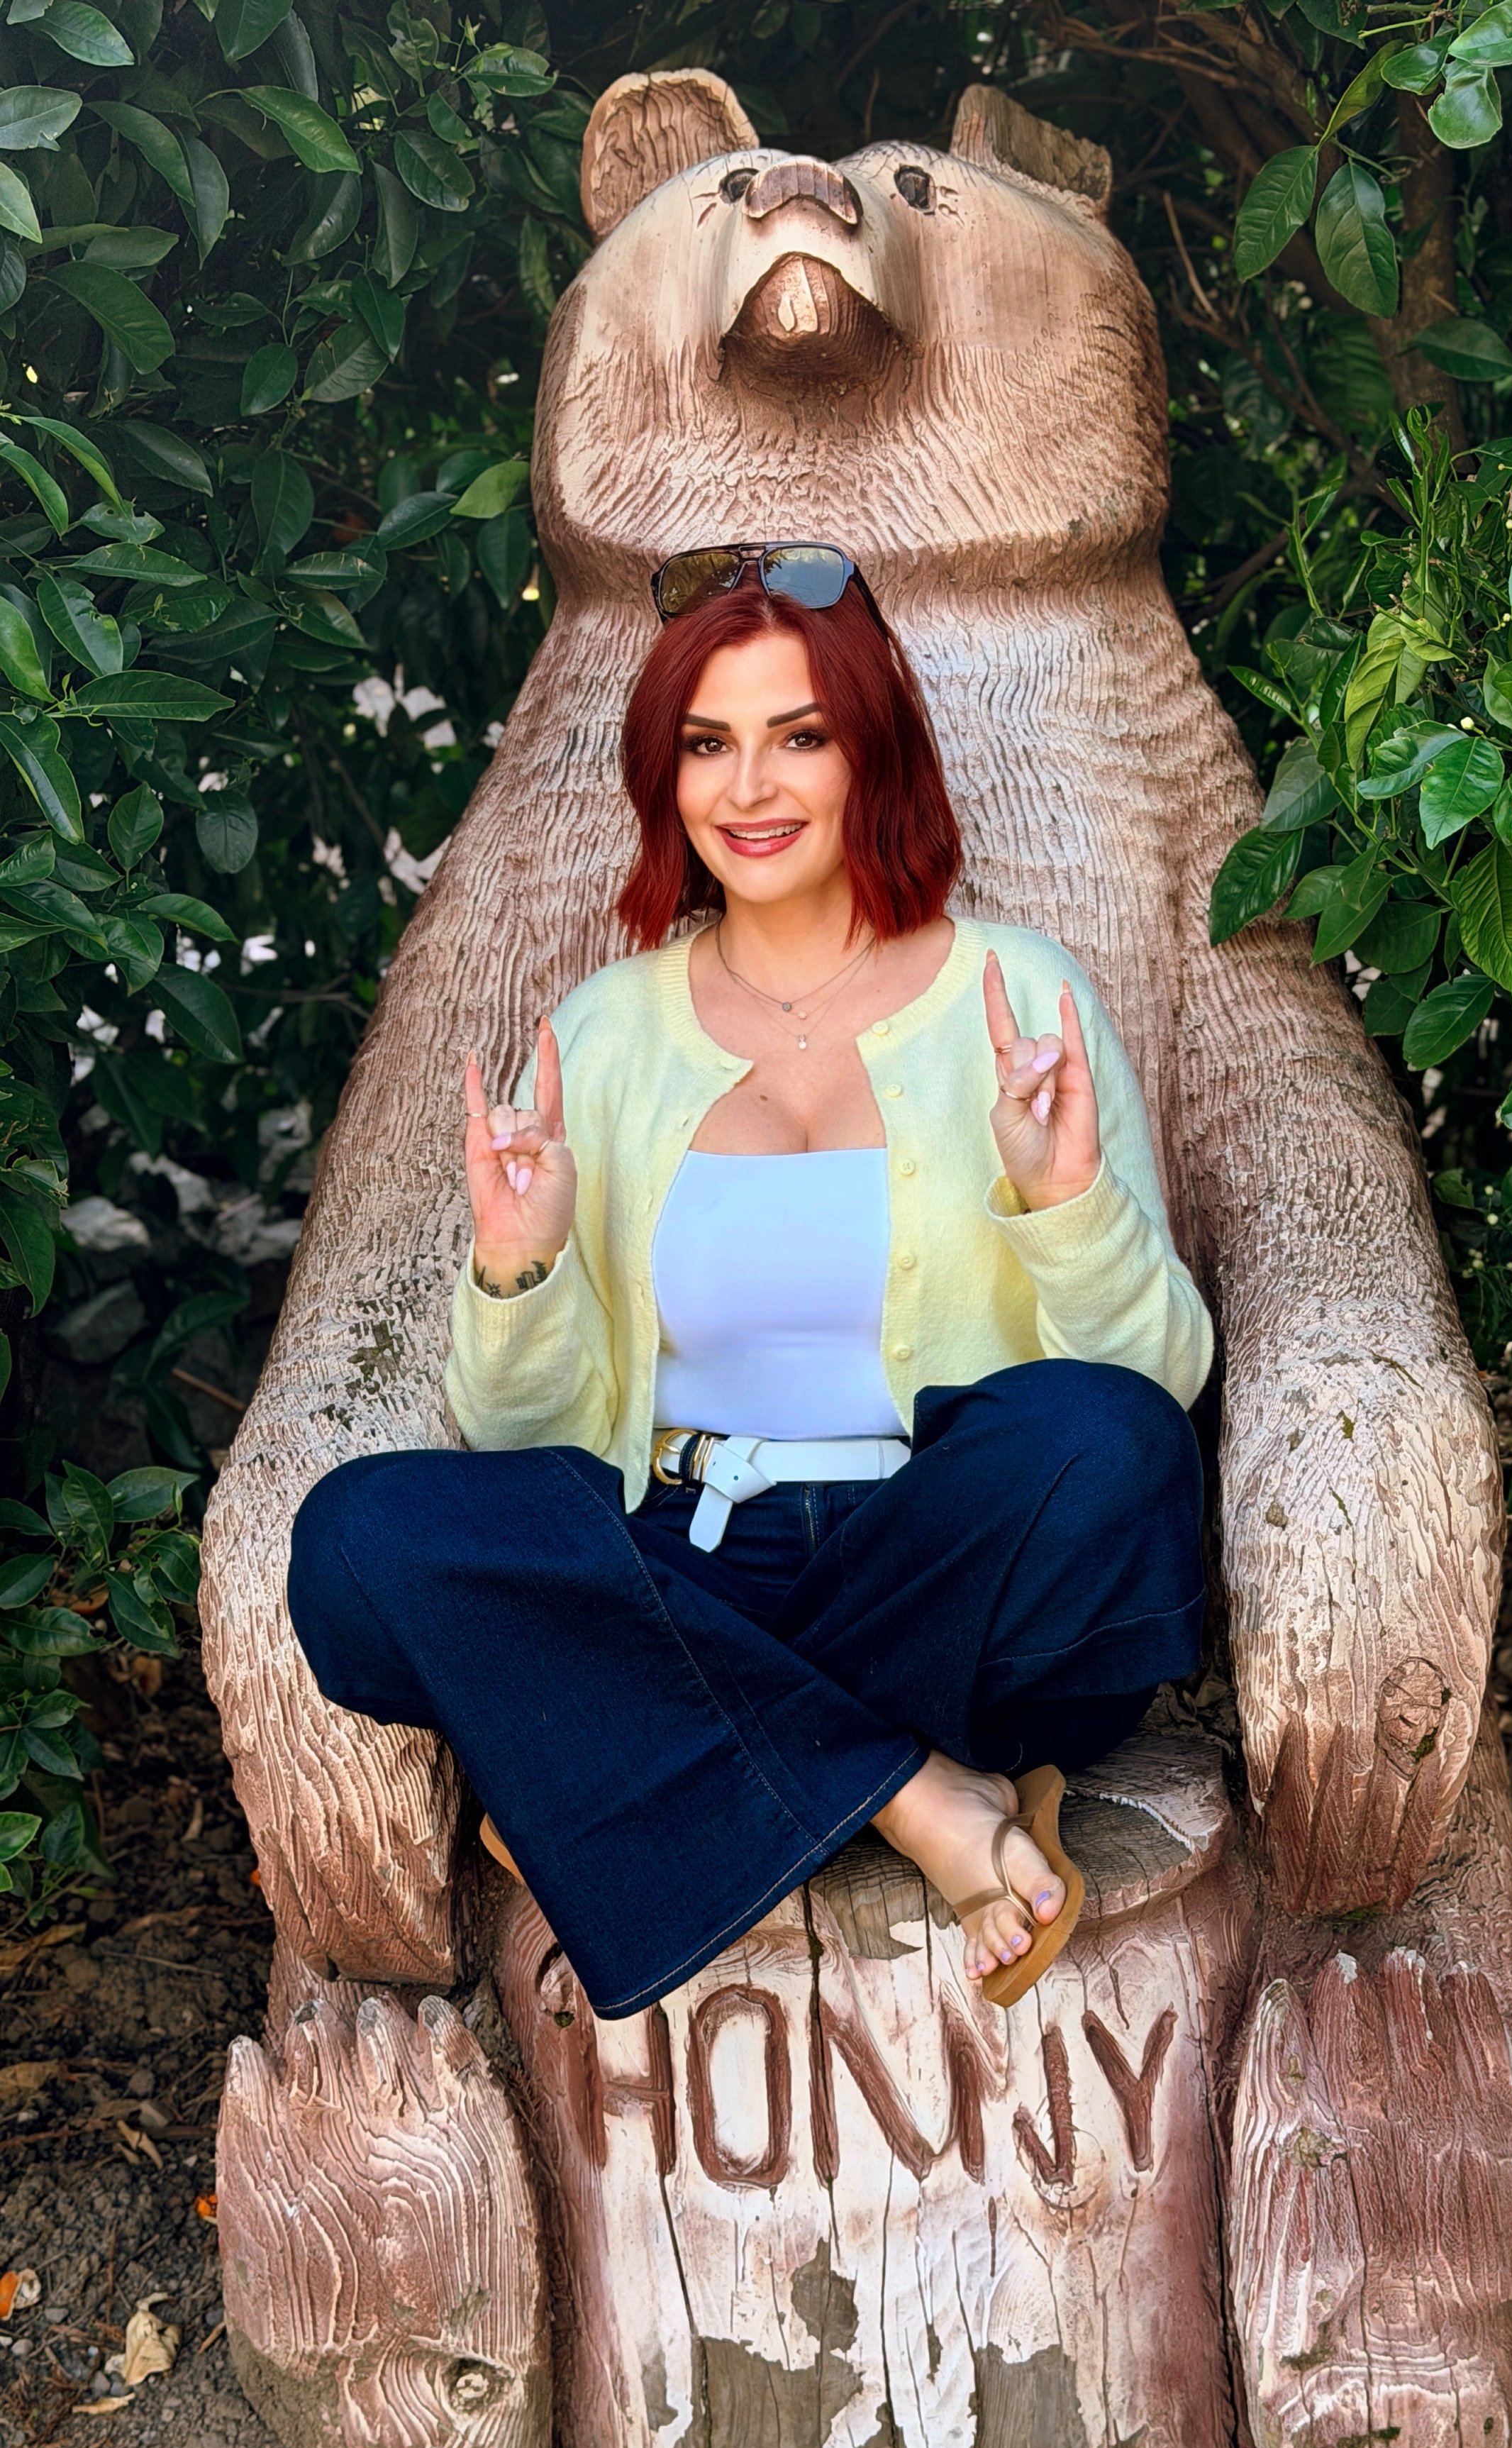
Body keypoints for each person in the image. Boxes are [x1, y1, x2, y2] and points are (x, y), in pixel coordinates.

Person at [286, 541, 1212, 2022]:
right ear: (666, 777)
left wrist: (1061, 1203)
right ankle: (919, 1794)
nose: (750, 787)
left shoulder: (1021, 995)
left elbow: (1147, 1386)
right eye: (708, 744)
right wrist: (518, 1267)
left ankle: (632, 1761)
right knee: (352, 1545)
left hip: (940, 1567)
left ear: (872, 750)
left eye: (800, 736)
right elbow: (525, 1444)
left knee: (1107, 1446)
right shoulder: (601, 1035)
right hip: (684, 1551)